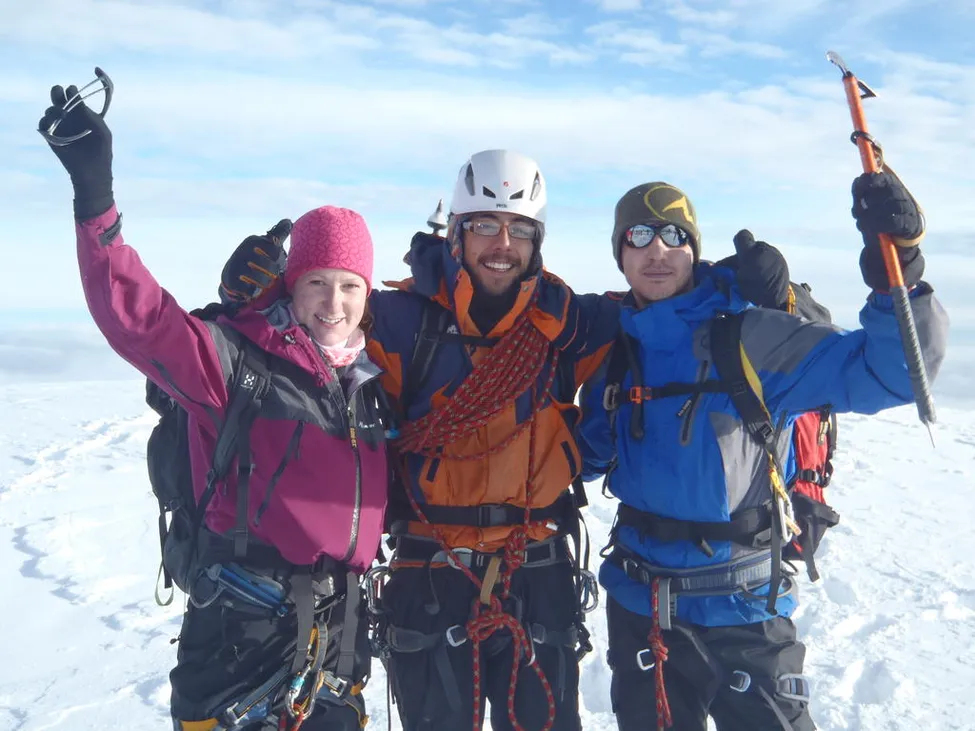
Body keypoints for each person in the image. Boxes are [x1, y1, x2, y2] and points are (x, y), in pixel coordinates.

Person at [219, 151, 804, 731]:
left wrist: (755, 291)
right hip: (430, 570)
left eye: (520, 229)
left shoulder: (569, 322)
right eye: (485, 224)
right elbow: (314, 335)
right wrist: (249, 301)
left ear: (537, 240)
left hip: (535, 571)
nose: (502, 244)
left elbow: (668, 310)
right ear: (456, 232)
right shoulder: (399, 319)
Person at [38, 78, 389, 730]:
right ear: (290, 286)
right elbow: (140, 321)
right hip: (243, 636)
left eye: (350, 285)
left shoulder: (372, 381)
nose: (333, 302)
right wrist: (96, 201)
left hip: (339, 644)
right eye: (317, 282)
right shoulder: (238, 363)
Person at [577, 177, 947, 730]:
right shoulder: (617, 352)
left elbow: (890, 373)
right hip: (641, 607)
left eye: (673, 235)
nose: (657, 251)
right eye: (639, 236)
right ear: (620, 252)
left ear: (693, 249)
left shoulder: (752, 336)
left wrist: (899, 271)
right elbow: (582, 456)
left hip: (744, 607)